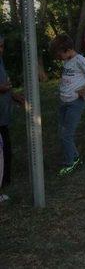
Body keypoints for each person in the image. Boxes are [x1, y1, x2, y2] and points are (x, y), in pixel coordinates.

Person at [50, 35, 85, 175]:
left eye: (59, 53)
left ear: (65, 49)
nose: (58, 57)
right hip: (64, 102)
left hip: (75, 103)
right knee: (62, 132)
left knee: (67, 134)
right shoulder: (68, 60)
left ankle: (70, 163)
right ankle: (75, 157)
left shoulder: (79, 60)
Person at [0, 35, 24, 202]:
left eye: (2, 46)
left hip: (3, 118)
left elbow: (4, 85)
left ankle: (4, 181)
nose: (0, 50)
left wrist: (14, 95)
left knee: (6, 151)